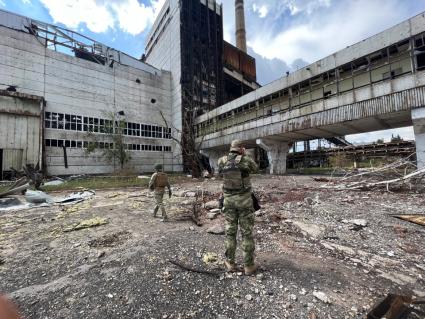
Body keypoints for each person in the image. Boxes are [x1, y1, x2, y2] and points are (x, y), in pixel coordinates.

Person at [218, 139, 258, 275]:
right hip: (245, 202)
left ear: (231, 148)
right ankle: (249, 266)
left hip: (228, 202)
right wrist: (244, 155)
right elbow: (255, 168)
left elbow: (220, 172)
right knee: (247, 234)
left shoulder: (222, 160)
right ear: (241, 148)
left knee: (230, 233)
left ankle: (230, 263)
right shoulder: (246, 160)